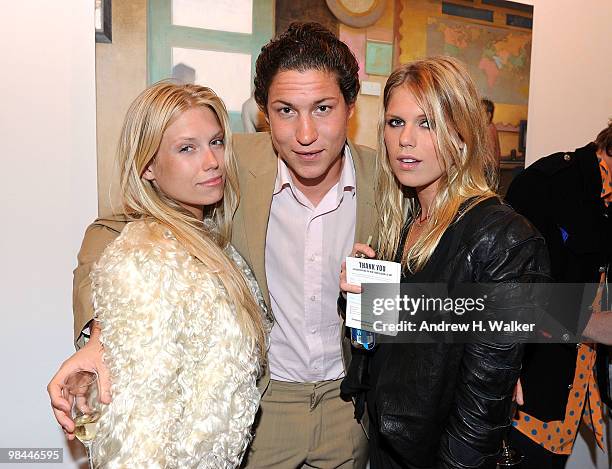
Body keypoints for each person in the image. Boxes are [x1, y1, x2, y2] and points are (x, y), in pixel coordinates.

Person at [48, 22, 375, 468]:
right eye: (284, 110)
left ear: (350, 107)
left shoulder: (388, 179)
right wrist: (98, 335)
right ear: (264, 113)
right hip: (266, 407)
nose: (305, 134)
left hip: (349, 406)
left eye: (323, 108)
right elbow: (112, 230)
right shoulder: (227, 162)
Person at [340, 56, 550, 468]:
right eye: (395, 122)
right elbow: (396, 343)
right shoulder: (403, 219)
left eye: (427, 123)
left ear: (462, 133)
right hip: (387, 447)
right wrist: (361, 299)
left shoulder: (502, 238)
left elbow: (480, 415)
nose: (405, 140)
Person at [49, 82, 271, 467]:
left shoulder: (213, 246)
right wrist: (99, 335)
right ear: (148, 166)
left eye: (216, 142)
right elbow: (140, 428)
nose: (212, 161)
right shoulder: (145, 259)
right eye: (187, 148)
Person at [505, 121, 612, 468]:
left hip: (573, 400)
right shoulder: (546, 185)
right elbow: (504, 292)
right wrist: (591, 324)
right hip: (525, 405)